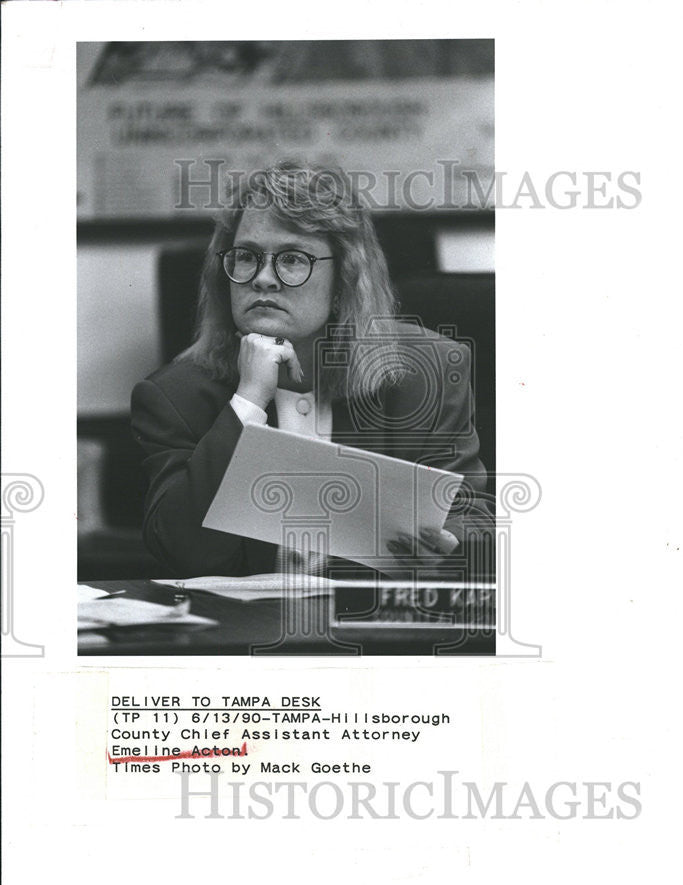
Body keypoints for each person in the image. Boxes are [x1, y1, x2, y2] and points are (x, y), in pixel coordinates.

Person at [131, 162, 493, 579]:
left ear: (344, 281)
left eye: (292, 259)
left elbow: (473, 517)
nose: (263, 279)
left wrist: (449, 545)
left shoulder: (424, 371)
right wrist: (247, 402)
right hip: (248, 632)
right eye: (246, 257)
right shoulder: (176, 396)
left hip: (376, 629)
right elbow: (182, 554)